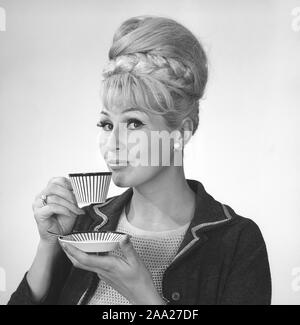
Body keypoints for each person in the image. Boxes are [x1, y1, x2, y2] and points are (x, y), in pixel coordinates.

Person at [8, 15, 271, 305]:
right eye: (107, 124)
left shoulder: (237, 242)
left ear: (181, 132)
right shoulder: (84, 227)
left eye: (134, 123)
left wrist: (142, 294)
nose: (113, 143)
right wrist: (48, 245)